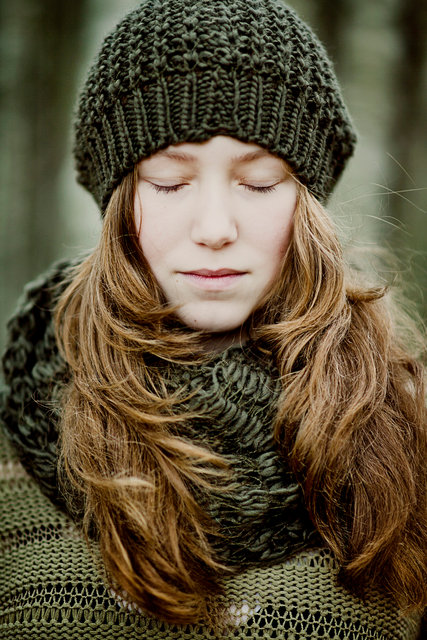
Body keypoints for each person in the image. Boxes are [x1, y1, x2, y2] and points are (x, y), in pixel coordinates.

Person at [0, 0, 426, 638]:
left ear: (306, 205)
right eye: (170, 182)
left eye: (259, 183)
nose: (216, 228)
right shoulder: (17, 433)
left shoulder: (405, 437)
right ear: (118, 203)